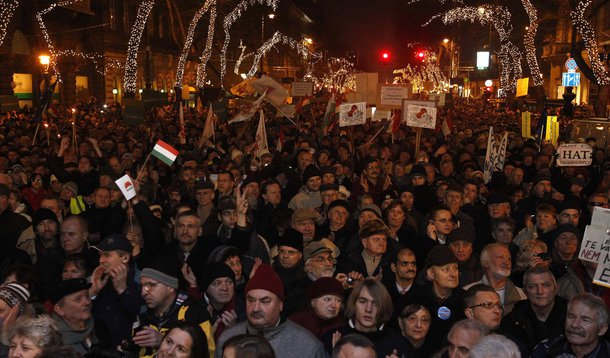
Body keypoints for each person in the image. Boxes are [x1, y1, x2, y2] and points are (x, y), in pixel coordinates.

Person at [215, 264, 324, 358]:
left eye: (265, 301)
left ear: (280, 305)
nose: (256, 308)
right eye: (251, 300)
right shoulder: (228, 338)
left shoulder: (307, 346)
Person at [134, 258, 214, 356]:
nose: (144, 292)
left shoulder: (195, 313)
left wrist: (162, 342)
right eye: (142, 286)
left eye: (150, 285)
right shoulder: (143, 315)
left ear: (170, 287)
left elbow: (208, 353)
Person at [322, 278, 403, 357]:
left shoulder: (397, 343)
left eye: (376, 304)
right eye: (363, 301)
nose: (368, 309)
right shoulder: (331, 338)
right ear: (353, 304)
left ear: (384, 307)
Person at [500, 266, 567, 356]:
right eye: (533, 286)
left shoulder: (572, 317)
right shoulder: (512, 321)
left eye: (546, 285)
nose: (540, 291)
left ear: (555, 289)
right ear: (525, 291)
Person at [531, 293, 610, 357]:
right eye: (571, 316)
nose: (575, 324)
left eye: (585, 320)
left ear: (602, 329)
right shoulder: (545, 350)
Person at [464, 243, 526, 315]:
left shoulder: (521, 295)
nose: (506, 262)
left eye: (509, 258)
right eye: (500, 257)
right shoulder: (467, 291)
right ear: (485, 263)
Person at [50, 278, 98, 354]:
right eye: (78, 299)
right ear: (59, 309)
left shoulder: (98, 326)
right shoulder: (55, 345)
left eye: (87, 296)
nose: (87, 302)